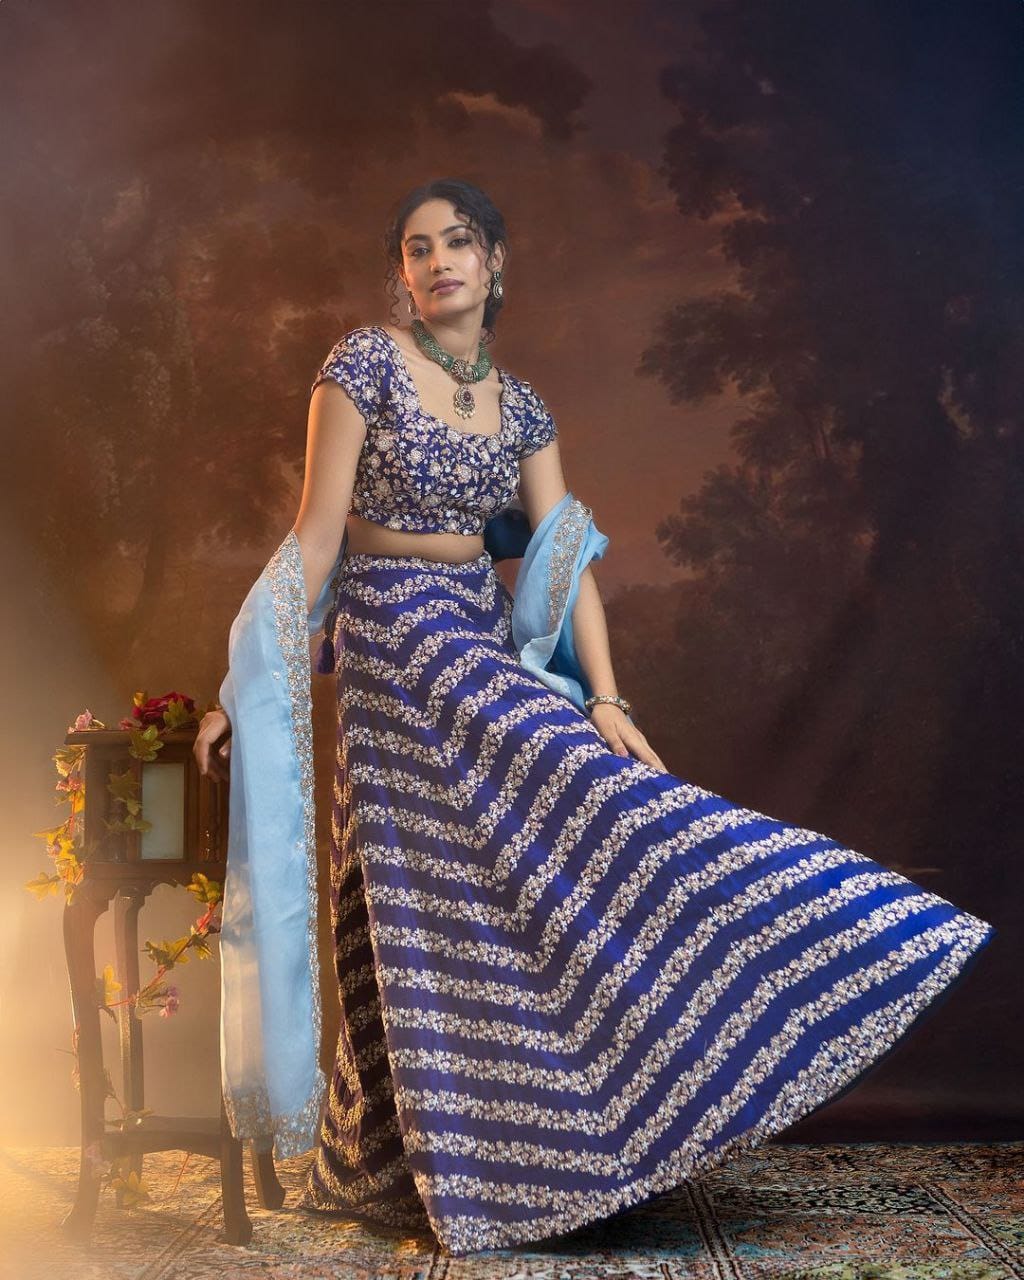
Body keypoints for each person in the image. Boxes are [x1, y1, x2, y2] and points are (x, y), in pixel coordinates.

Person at [194, 178, 995, 1257]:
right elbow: (315, 538)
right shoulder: (363, 365)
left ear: (495, 262)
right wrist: (238, 684)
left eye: (458, 242)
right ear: (401, 274)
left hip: (475, 635)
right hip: (392, 652)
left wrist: (607, 698)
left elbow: (563, 554)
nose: (438, 262)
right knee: (427, 906)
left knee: (570, 838)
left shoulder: (523, 407)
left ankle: (553, 1141)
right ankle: (453, 1166)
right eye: (417, 249)